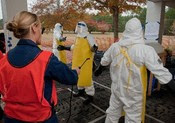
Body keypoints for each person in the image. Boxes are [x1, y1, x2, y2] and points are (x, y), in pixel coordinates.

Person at [0, 11, 80, 123]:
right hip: (40, 118)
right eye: (41, 29)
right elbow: (71, 78)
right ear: (34, 28)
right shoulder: (45, 59)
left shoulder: (4, 59)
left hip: (10, 118)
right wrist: (76, 72)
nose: (41, 33)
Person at [94, 18, 172, 123]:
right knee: (133, 117)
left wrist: (98, 70)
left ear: (126, 30)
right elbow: (160, 72)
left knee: (113, 111)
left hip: (117, 88)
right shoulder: (146, 51)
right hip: (134, 92)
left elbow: (104, 61)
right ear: (140, 31)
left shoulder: (115, 47)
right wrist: (170, 83)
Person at [58, 21, 98, 105]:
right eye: (78, 26)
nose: (79, 28)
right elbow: (74, 47)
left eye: (81, 26)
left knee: (86, 78)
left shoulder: (88, 36)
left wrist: (94, 48)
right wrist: (64, 47)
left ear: (84, 27)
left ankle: (90, 96)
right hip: (77, 60)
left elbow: (94, 47)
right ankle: (81, 91)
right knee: (78, 76)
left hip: (86, 61)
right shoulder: (78, 37)